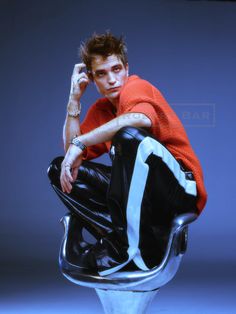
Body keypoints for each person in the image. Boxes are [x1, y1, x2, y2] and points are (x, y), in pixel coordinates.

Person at [47, 31, 207, 276]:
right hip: (142, 193)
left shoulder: (136, 86)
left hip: (180, 189)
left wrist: (81, 142)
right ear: (91, 78)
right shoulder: (102, 109)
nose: (112, 79)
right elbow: (72, 153)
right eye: (102, 73)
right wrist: (73, 101)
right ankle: (125, 239)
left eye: (116, 69)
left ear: (126, 69)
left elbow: (139, 119)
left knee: (129, 136)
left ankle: (126, 249)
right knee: (61, 169)